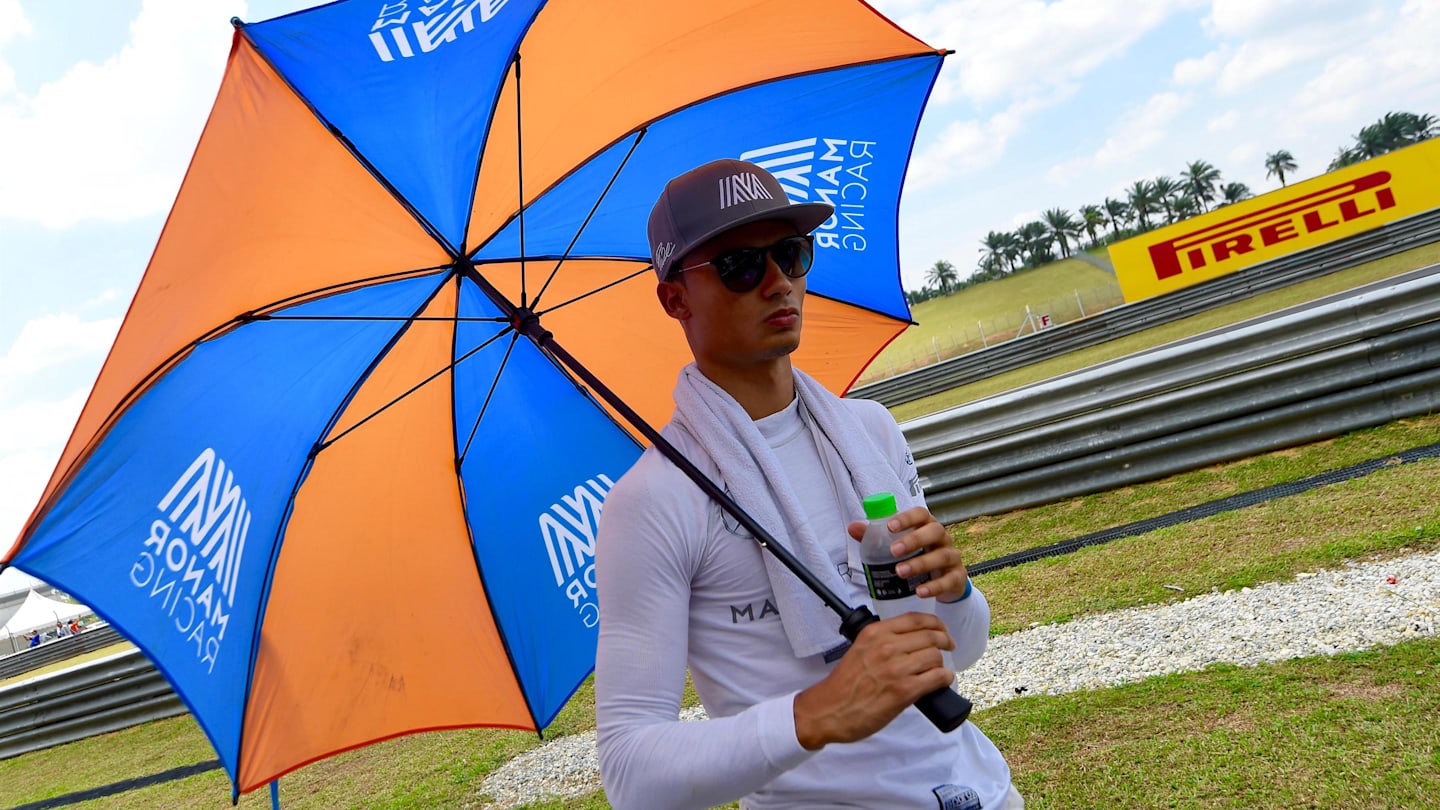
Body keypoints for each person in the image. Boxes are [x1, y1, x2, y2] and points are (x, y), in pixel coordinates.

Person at [594, 159, 1020, 809]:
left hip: (980, 792)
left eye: (792, 254)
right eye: (740, 265)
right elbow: (630, 772)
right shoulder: (654, 500)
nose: (777, 283)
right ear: (675, 298)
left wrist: (956, 590)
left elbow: (959, 649)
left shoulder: (869, 432)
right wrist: (809, 716)